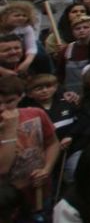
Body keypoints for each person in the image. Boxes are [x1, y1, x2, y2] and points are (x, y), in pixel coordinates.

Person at [0, 75, 59, 218]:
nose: (2, 108)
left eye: (9, 102)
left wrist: (46, 169)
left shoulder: (36, 113)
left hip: (39, 190)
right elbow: (3, 168)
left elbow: (52, 143)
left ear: (20, 97)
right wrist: (9, 130)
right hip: (8, 200)